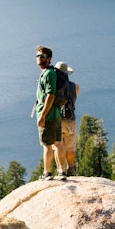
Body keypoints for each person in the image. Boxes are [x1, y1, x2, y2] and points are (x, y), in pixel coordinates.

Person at [35, 46, 69, 180]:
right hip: (55, 114)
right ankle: (61, 172)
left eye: (42, 56)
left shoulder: (49, 74)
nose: (39, 58)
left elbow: (50, 95)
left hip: (48, 116)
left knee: (47, 145)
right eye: (37, 56)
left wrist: (42, 115)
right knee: (57, 143)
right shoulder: (49, 73)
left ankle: (47, 173)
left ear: (48, 59)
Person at [53, 61, 80, 175]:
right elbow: (73, 101)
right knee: (70, 147)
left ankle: (60, 169)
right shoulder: (75, 87)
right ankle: (71, 168)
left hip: (56, 120)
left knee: (58, 146)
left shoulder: (53, 87)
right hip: (70, 120)